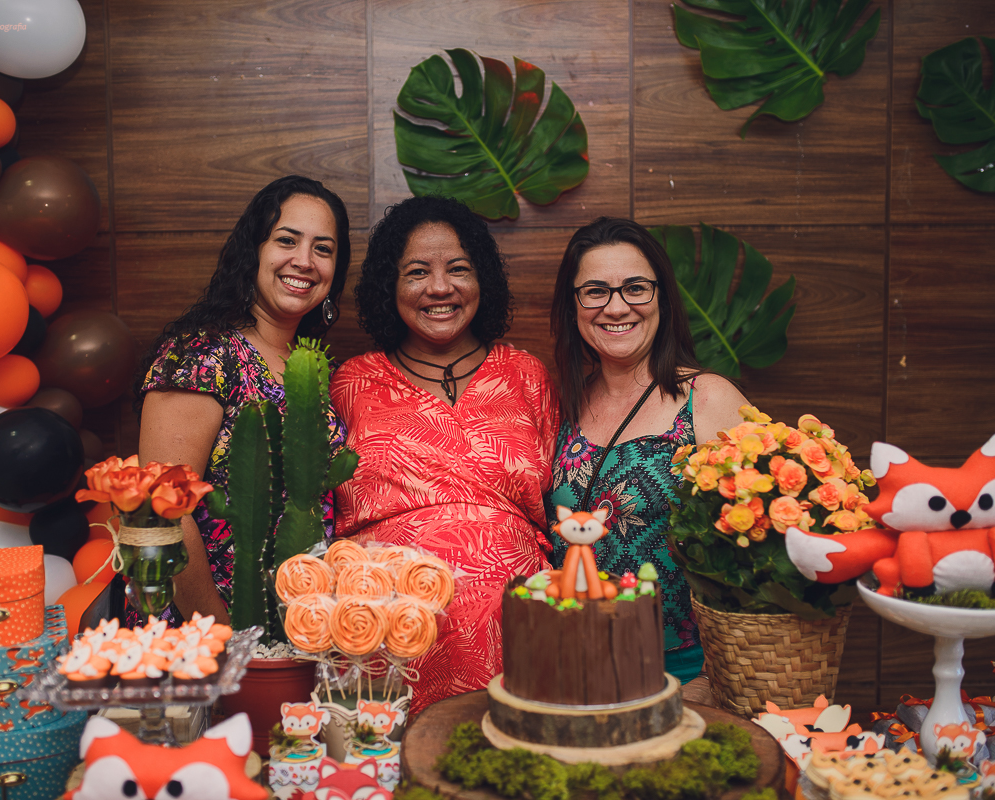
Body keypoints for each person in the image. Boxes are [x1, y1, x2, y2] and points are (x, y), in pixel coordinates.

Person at [331, 195, 559, 712]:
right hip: (388, 628)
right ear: (390, 286)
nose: (440, 287)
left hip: (519, 625)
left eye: (458, 269)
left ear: (483, 280)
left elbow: (555, 499)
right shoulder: (352, 382)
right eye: (417, 272)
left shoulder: (526, 374)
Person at [546, 217, 748, 701]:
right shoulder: (563, 406)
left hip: (684, 675)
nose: (616, 307)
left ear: (662, 298)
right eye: (595, 291)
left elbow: (764, 549)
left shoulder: (708, 400)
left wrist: (712, 680)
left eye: (635, 288)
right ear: (573, 306)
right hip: (572, 666)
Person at [135, 175, 351, 623]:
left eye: (323, 249)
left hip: (296, 626)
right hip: (205, 626)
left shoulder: (309, 366)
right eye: (287, 240)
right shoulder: (202, 355)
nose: (304, 261)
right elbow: (161, 512)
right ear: (254, 250)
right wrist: (223, 634)